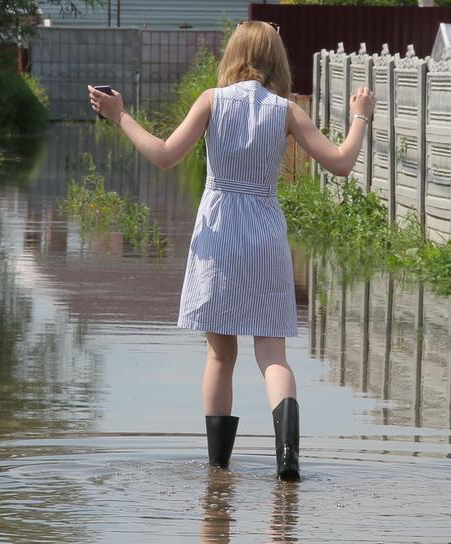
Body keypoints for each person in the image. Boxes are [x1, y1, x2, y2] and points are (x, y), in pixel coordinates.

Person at [88, 20, 374, 481]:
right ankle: (287, 460)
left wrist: (120, 114)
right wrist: (361, 116)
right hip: (264, 230)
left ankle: (219, 468)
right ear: (275, 59)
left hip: (219, 230)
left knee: (220, 356)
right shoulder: (284, 111)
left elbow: (164, 155)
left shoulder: (211, 101)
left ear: (234, 55)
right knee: (273, 355)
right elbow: (341, 164)